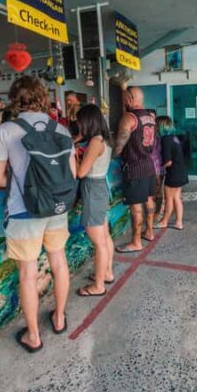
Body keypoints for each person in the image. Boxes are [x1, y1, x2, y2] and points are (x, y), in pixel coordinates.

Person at [0, 76, 74, 353]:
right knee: (59, 262)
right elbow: (71, 174)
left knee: (27, 273)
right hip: (57, 208)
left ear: (14, 98)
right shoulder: (61, 129)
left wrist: (20, 178)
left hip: (24, 211)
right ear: (43, 97)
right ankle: (59, 318)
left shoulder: (5, 131)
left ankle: (33, 336)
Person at [74, 104, 115, 297]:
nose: (78, 125)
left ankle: (98, 286)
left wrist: (73, 155)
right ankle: (107, 273)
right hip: (100, 188)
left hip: (92, 188)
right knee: (105, 236)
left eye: (80, 121)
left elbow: (81, 172)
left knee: (98, 242)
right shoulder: (103, 139)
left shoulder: (95, 142)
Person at [113, 86, 157, 253]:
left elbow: (119, 145)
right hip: (149, 165)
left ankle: (136, 242)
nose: (123, 102)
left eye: (124, 98)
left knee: (135, 206)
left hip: (134, 167)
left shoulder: (129, 118)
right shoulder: (151, 117)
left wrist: (113, 155)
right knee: (149, 199)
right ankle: (150, 232)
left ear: (130, 99)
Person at [154, 116, 188, 230]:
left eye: (156, 125)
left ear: (161, 126)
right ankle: (179, 222)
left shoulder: (165, 139)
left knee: (169, 199)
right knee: (176, 198)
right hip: (181, 172)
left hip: (173, 173)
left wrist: (157, 166)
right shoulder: (174, 137)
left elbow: (167, 162)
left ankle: (164, 221)